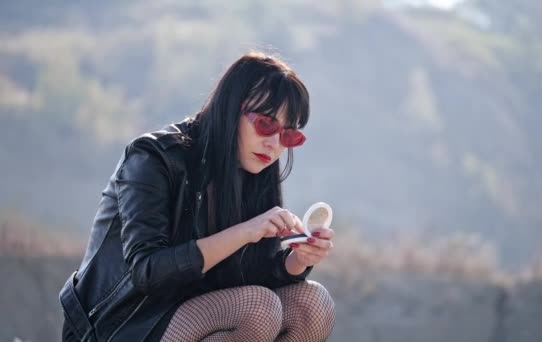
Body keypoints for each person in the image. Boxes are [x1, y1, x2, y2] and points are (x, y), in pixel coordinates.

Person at [59, 51, 336, 341]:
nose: (274, 144)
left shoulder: (254, 170)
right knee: (258, 307)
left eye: (288, 136)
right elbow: (147, 271)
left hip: (196, 315)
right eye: (265, 125)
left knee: (312, 304)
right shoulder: (153, 158)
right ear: (231, 110)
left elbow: (251, 275)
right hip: (116, 325)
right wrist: (244, 232)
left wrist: (297, 259)